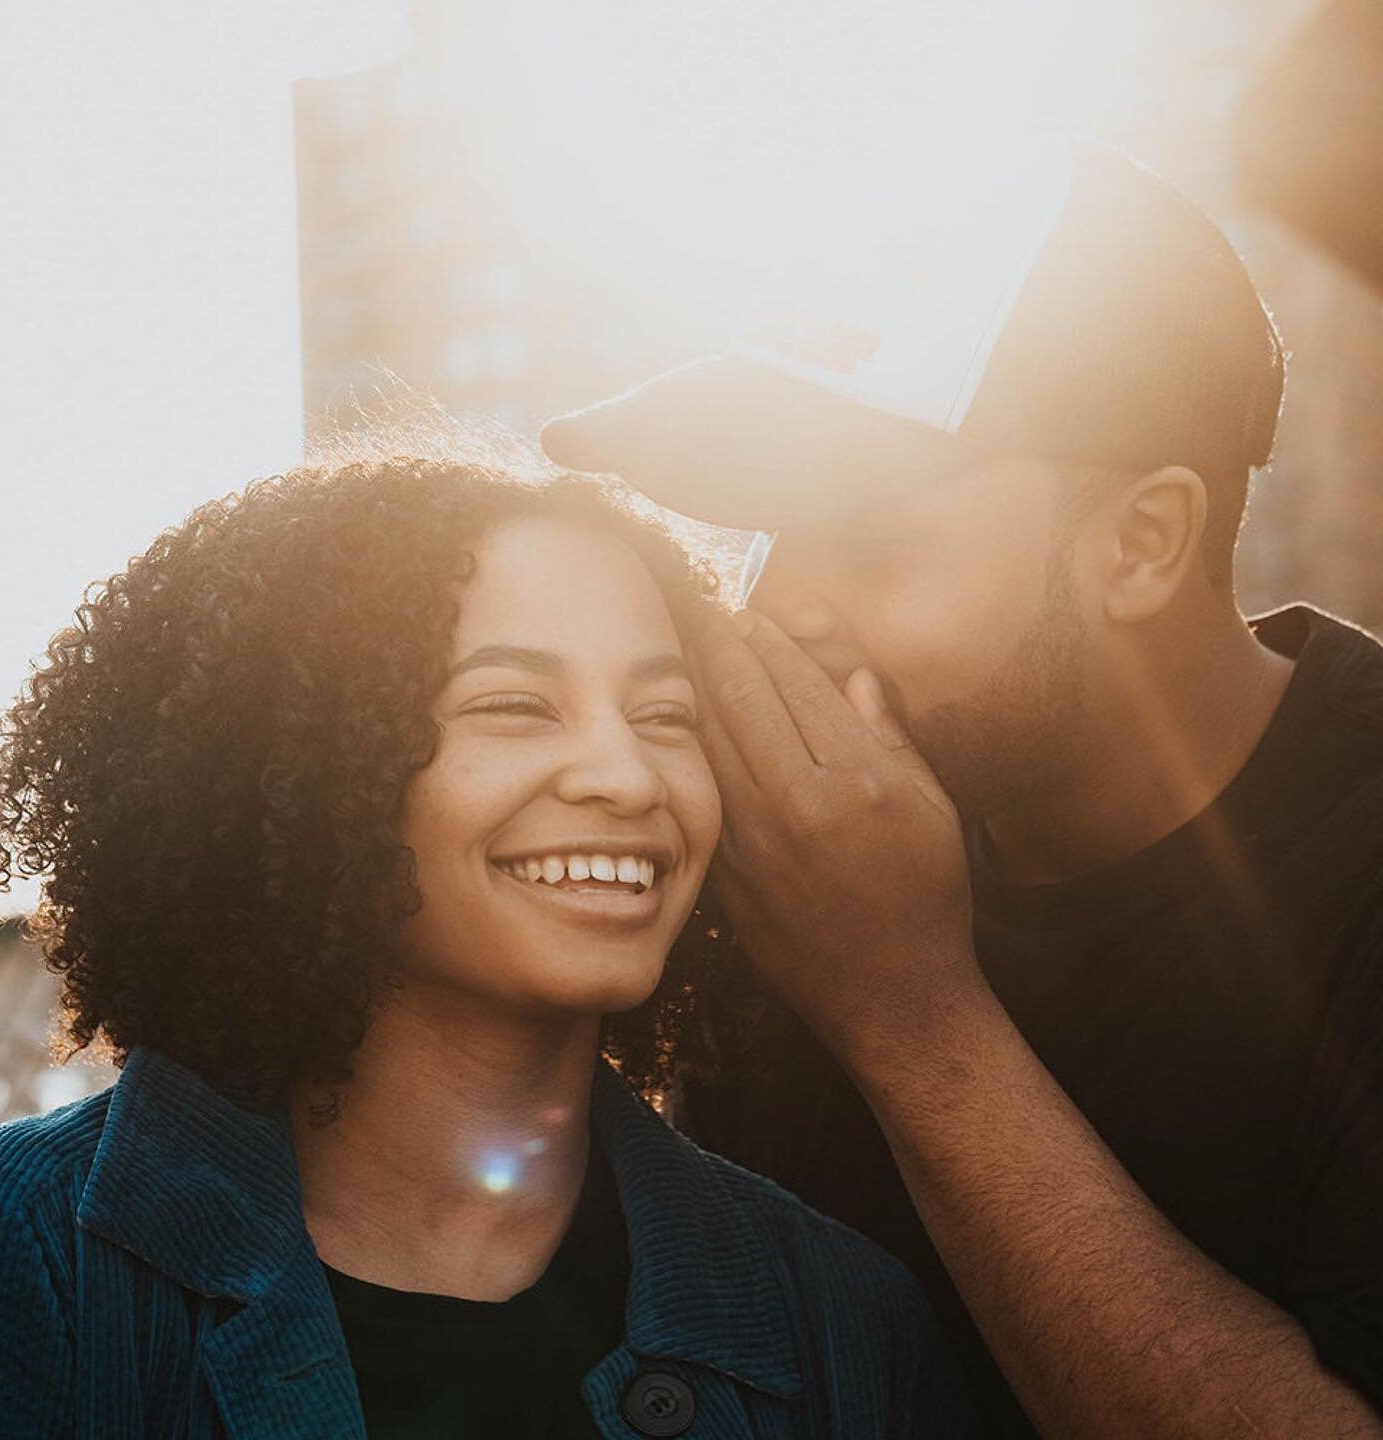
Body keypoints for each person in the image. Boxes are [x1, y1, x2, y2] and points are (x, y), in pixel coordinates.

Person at [541, 140, 1383, 1438]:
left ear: (1143, 543)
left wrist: (906, 1012)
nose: (781, 610)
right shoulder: (791, 846)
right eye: (769, 528)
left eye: (867, 538)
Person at [0, 454, 978, 1438]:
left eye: (668, 715)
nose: (627, 778)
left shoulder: (839, 1318)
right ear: (292, 772)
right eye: (515, 705)